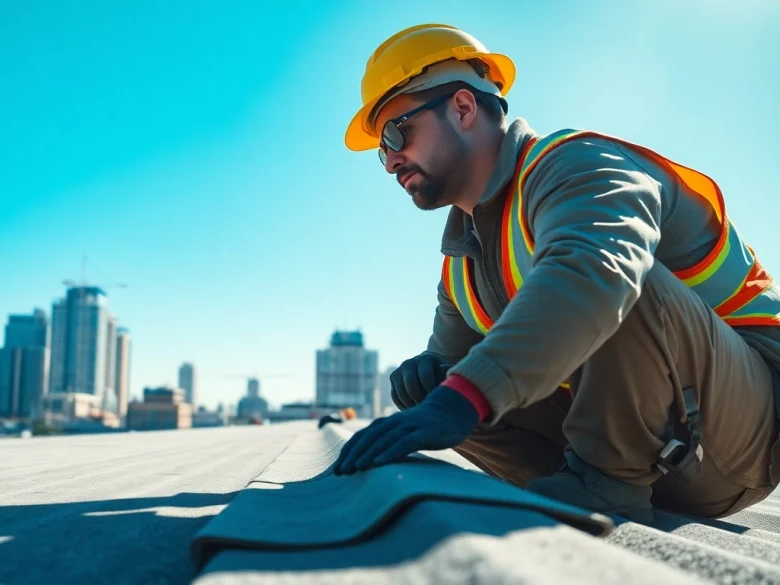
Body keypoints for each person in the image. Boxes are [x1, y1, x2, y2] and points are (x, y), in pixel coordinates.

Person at [331, 23, 780, 523]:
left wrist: (464, 397)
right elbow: (456, 380)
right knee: (442, 383)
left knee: (610, 275)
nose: (391, 159)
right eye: (381, 150)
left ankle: (604, 481)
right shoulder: (461, 264)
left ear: (462, 108)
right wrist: (428, 383)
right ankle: (572, 479)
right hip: (653, 456)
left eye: (397, 131)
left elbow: (594, 271)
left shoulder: (576, 164)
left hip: (742, 440)